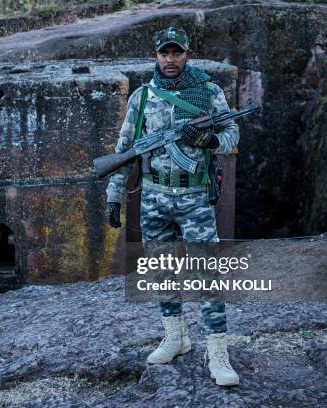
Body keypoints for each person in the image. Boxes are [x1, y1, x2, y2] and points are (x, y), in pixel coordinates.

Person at [104, 27, 240, 386]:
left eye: (176, 53)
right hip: (153, 198)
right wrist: (114, 195)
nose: (170, 59)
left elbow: (231, 138)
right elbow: (124, 152)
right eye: (164, 53)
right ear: (156, 56)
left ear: (187, 55)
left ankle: (218, 355)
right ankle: (176, 337)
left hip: (195, 198)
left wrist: (210, 140)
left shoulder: (209, 93)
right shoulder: (142, 98)